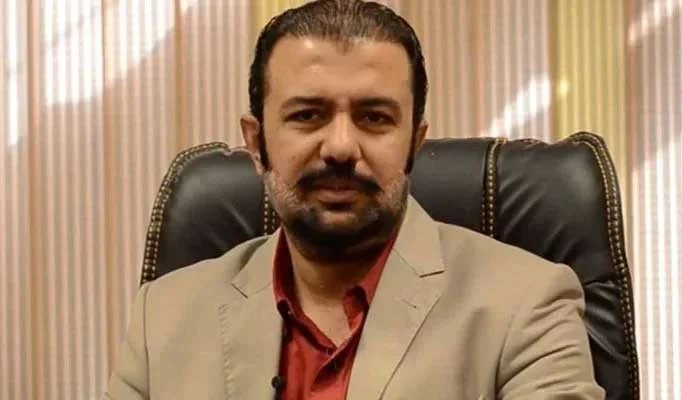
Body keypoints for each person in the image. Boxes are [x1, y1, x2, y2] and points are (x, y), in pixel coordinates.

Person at [105, 1, 604, 399]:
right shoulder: (161, 320)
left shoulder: (527, 305)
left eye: (374, 117)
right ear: (256, 144)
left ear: (414, 143)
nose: (341, 147)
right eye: (307, 115)